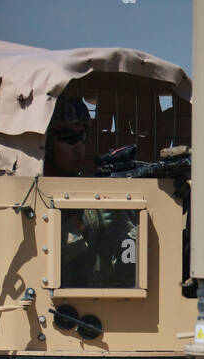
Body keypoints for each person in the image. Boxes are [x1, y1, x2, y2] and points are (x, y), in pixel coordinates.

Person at [44, 94, 137, 290]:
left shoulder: (88, 185)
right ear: (46, 141)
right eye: (69, 139)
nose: (79, 148)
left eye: (83, 137)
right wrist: (84, 225)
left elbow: (128, 261)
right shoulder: (34, 192)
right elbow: (41, 256)